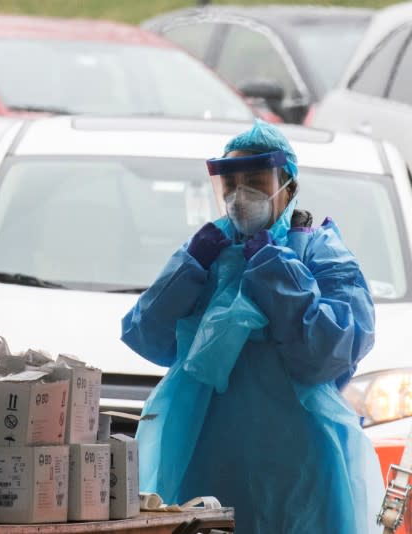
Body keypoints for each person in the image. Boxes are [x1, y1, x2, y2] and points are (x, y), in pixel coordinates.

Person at [121, 120, 383, 533]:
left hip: (298, 459)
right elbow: (146, 336)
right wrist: (188, 266)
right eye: (231, 184)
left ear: (289, 186)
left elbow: (327, 354)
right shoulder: (208, 253)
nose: (241, 197)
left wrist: (277, 269)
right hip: (204, 452)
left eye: (257, 181)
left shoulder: (320, 253)